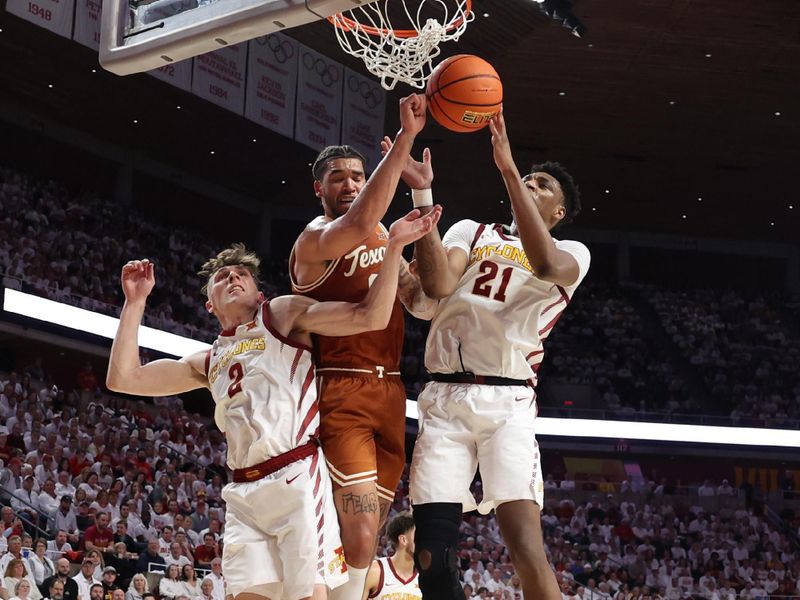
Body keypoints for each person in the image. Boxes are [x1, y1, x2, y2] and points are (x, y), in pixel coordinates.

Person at [106, 210, 439, 600]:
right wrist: (135, 302)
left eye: (241, 275)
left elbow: (370, 315)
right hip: (244, 492)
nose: (232, 278)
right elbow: (123, 378)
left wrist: (395, 245)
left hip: (295, 477)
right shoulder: (208, 360)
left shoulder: (279, 315)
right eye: (221, 277)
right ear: (209, 305)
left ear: (258, 293)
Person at [403, 111, 590, 600]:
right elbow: (439, 284)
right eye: (528, 177)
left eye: (542, 185)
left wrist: (509, 171)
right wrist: (423, 198)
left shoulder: (573, 251)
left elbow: (547, 263)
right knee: (430, 553)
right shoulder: (473, 230)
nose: (532, 182)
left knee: (526, 547)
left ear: (558, 212)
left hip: (508, 405)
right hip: (444, 397)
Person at [289, 93, 436, 600]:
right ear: (319, 189)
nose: (350, 183)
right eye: (339, 178)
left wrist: (423, 195)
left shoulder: (382, 233)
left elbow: (422, 304)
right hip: (341, 386)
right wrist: (404, 142)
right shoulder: (313, 241)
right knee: (358, 532)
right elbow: (354, 225)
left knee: (368, 528)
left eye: (357, 175)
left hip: (393, 389)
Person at [361, 512, 420, 600]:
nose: (424, 541)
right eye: (418, 535)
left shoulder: (425, 578)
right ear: (403, 540)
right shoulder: (375, 571)